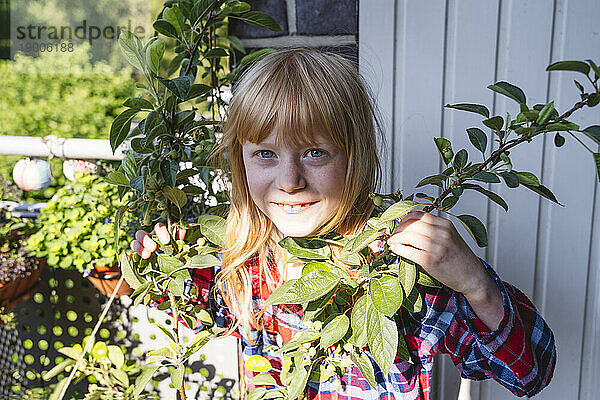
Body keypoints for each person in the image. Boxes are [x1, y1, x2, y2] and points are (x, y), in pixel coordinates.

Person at [130, 48, 556, 399]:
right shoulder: (245, 262)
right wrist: (163, 260)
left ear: (356, 156)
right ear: (240, 164)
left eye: (315, 152)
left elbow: (529, 374)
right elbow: (195, 309)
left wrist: (475, 283)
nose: (290, 181)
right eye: (265, 153)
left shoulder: (398, 269)